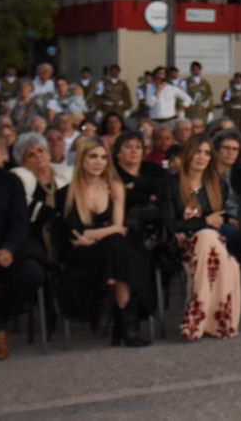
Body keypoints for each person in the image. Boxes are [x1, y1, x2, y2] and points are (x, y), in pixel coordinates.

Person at [55, 138, 154, 347]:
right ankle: (126, 328)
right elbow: (77, 233)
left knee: (115, 246)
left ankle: (107, 302)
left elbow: (105, 229)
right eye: (93, 157)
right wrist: (110, 229)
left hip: (106, 248)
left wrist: (98, 233)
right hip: (81, 254)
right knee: (117, 246)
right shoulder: (66, 193)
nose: (98, 162)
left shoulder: (115, 186)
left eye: (103, 157)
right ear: (81, 160)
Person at [159, 135, 241, 340]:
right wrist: (204, 223)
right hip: (181, 245)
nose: (202, 157)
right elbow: (169, 223)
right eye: (197, 152)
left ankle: (198, 316)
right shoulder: (171, 183)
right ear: (188, 155)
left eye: (206, 153)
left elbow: (218, 218)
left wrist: (222, 222)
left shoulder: (217, 183)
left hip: (210, 245)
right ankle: (216, 322)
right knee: (214, 245)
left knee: (218, 249)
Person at [0, 160, 45, 360]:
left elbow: (20, 222)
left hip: (8, 249)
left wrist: (8, 250)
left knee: (32, 274)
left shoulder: (10, 180)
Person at [11, 132, 73, 260]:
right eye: (31, 155)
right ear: (23, 162)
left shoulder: (66, 175)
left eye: (41, 151)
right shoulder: (20, 179)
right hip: (34, 238)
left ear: (48, 153)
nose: (38, 156)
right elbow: (23, 205)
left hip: (67, 234)